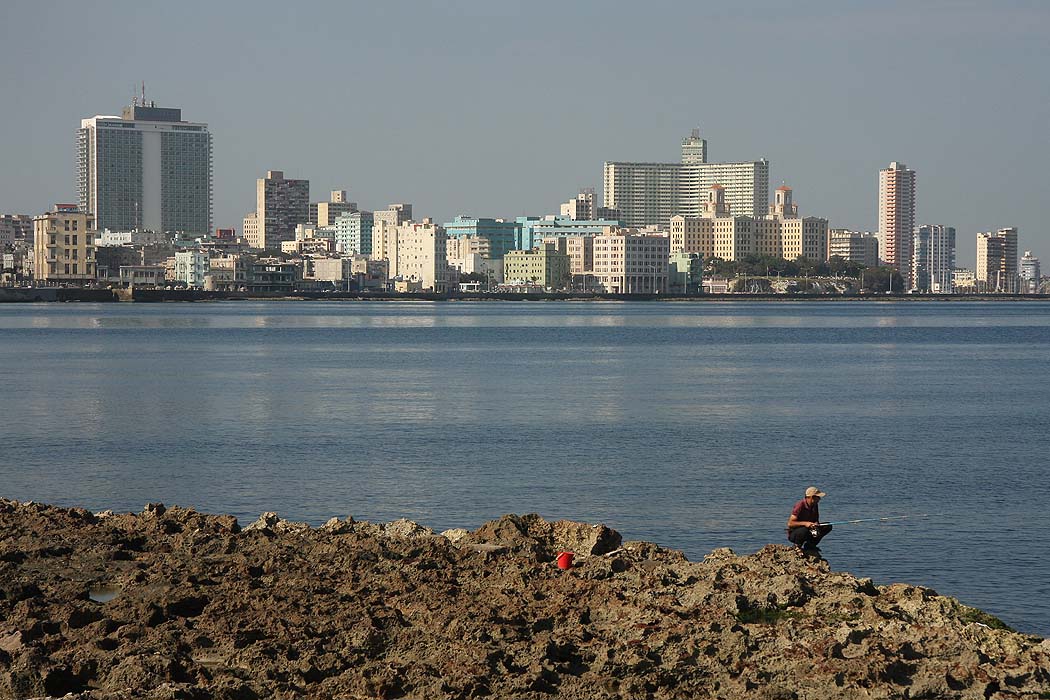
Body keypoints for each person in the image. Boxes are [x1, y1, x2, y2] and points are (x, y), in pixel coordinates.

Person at [787, 486, 832, 551]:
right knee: (804, 530)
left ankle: (810, 545)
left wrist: (816, 524)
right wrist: (805, 523)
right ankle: (797, 546)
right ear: (811, 497)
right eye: (818, 497)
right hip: (795, 533)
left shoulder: (815, 505)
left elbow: (816, 519)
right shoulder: (800, 505)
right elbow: (790, 523)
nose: (819, 499)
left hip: (809, 530)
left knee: (827, 526)